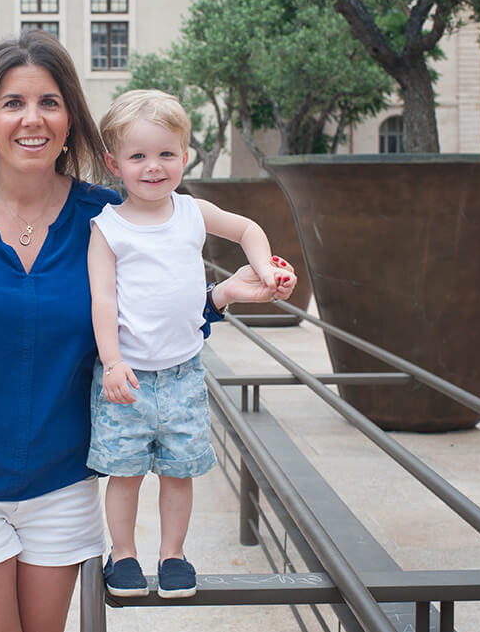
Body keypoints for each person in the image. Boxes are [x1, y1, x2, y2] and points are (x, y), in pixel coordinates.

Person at [0, 31, 294, 632]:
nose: (32, 119)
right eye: (13, 103)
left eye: (49, 102)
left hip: (64, 481)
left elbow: (147, 321)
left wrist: (220, 298)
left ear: (70, 119)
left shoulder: (104, 216)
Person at [87, 89, 296, 599]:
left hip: (183, 372)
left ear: (185, 155)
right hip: (128, 377)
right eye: (138, 156)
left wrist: (265, 266)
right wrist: (111, 362)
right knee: (126, 471)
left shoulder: (193, 212)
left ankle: (173, 554)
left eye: (166, 154)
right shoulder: (107, 228)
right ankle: (125, 555)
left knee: (180, 472)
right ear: (115, 163)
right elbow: (102, 300)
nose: (153, 167)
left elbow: (247, 228)